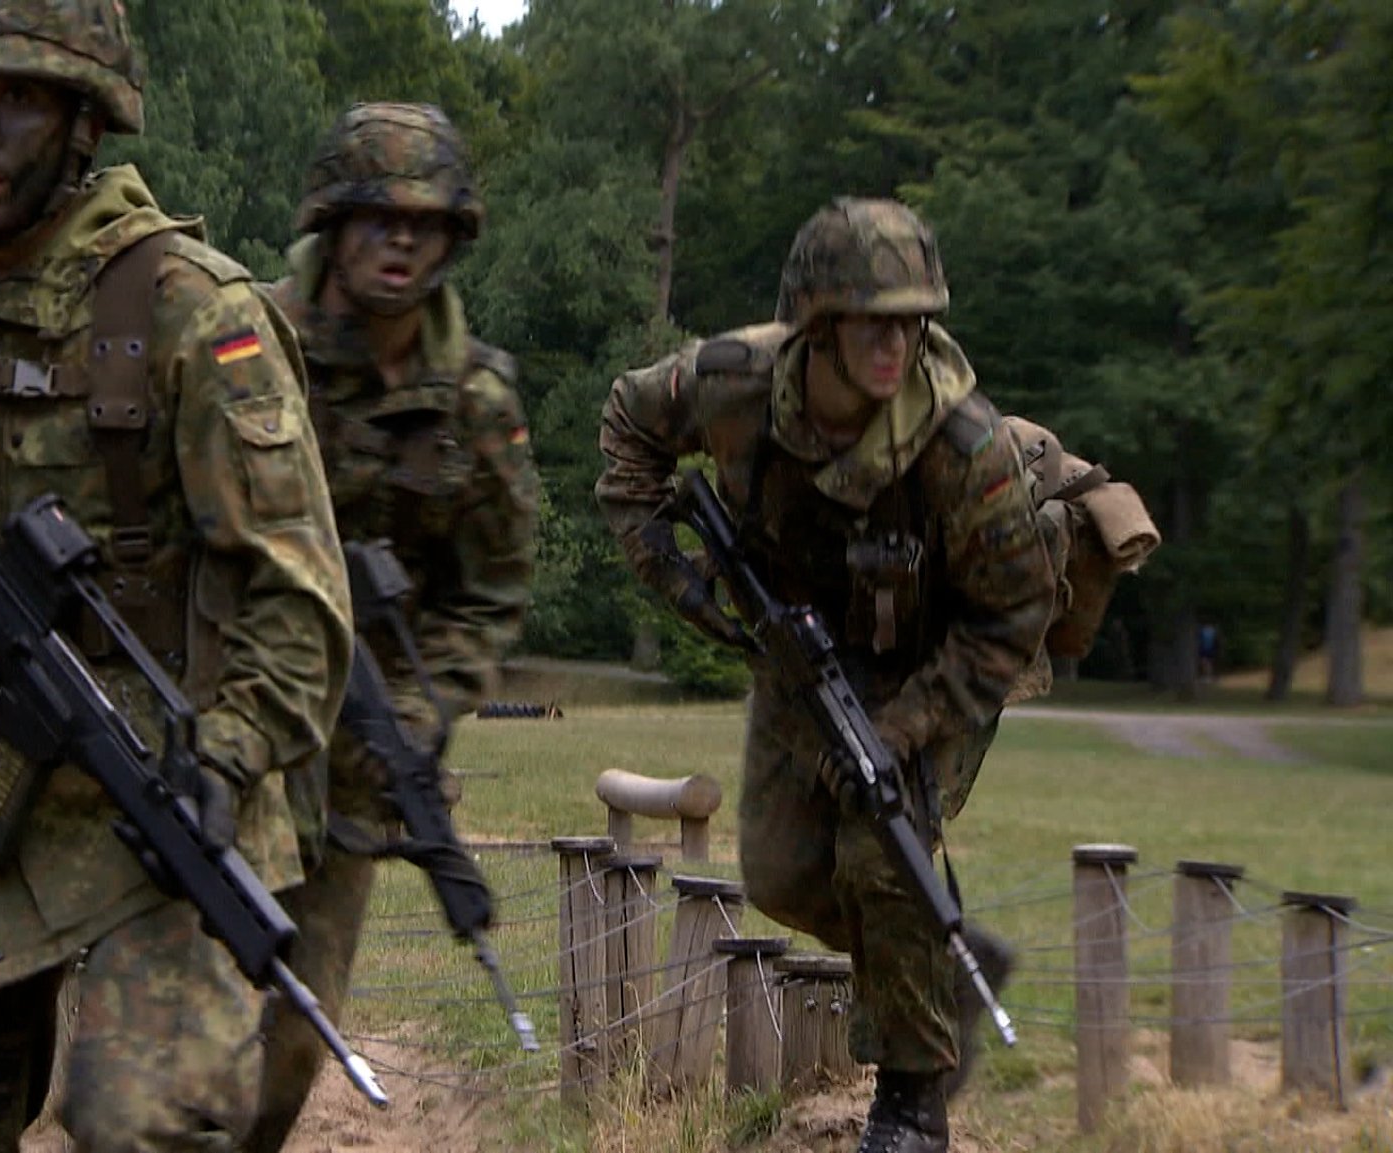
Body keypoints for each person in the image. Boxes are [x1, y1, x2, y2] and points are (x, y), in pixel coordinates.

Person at [0, 2, 352, 1149]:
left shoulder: (192, 311)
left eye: (18, 100)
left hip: (163, 799)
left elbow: (300, 599)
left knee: (140, 1121)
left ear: (84, 120)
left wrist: (226, 753)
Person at [594, 197, 1057, 1153]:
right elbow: (629, 425)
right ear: (816, 320)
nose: (895, 343)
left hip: (942, 664)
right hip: (798, 650)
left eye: (911, 320)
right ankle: (942, 968)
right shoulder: (733, 383)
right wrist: (671, 572)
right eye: (869, 320)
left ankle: (910, 1107)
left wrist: (904, 725)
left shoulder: (966, 449)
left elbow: (1014, 613)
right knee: (780, 874)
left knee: (878, 844)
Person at [243, 102, 540, 1153]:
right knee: (166, 1031)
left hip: (358, 757)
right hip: (216, 721)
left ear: (455, 237)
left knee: (292, 1031)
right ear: (332, 222)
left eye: (424, 222)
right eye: (376, 216)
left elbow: (492, 586)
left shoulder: (471, 396)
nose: (400, 239)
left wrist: (416, 708)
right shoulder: (245, 345)